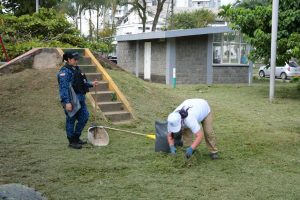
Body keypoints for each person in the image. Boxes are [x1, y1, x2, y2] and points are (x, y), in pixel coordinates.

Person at [57, 51, 99, 149]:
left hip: (80, 98)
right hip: (71, 100)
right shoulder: (64, 72)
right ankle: (71, 141)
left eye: (77, 59)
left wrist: (91, 83)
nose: (76, 61)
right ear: (68, 59)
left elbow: (82, 82)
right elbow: (64, 88)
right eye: (74, 59)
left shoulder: (76, 68)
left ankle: (76, 137)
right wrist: (67, 102)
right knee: (71, 120)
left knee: (84, 117)